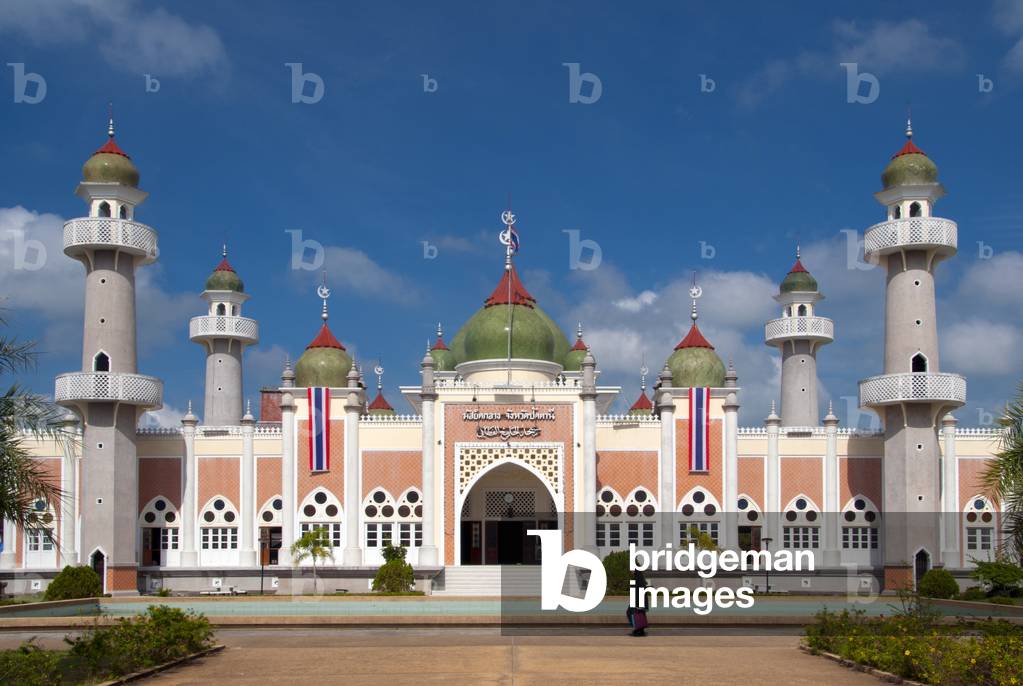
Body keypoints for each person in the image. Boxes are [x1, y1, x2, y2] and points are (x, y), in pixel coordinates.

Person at [627, 569, 649, 637]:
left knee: (631, 612)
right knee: (640, 615)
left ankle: (638, 630)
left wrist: (637, 603)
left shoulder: (638, 579)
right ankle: (640, 630)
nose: (631, 572)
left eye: (633, 570)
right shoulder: (639, 578)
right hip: (638, 601)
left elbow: (638, 591)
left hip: (638, 601)